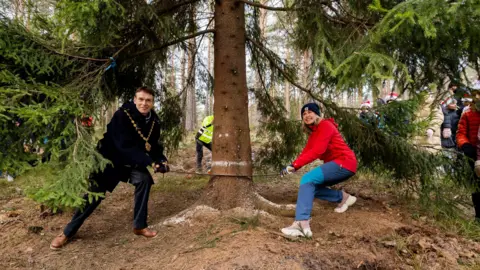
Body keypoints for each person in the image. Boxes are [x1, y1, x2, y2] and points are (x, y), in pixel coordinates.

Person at [50, 87, 170, 249]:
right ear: (134, 100)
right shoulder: (122, 115)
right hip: (110, 160)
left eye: (148, 100)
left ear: (152, 102)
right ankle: (68, 232)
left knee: (144, 180)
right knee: (94, 196)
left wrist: (160, 160)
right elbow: (123, 146)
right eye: (141, 99)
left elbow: (153, 145)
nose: (144, 103)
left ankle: (139, 226)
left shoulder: (154, 121)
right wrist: (149, 162)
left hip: (132, 162)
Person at [280, 103, 357, 238]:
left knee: (307, 179)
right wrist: (292, 165)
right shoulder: (315, 132)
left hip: (344, 162)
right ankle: (344, 198)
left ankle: (301, 223)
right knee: (310, 187)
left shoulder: (326, 126)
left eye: (310, 112)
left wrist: (297, 165)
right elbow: (307, 151)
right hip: (339, 164)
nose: (307, 115)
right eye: (304, 114)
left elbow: (317, 151)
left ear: (317, 114)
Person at [457, 82, 480, 221]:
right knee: (476, 185)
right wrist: (465, 146)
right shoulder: (468, 114)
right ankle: (478, 215)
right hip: (473, 156)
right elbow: (460, 133)